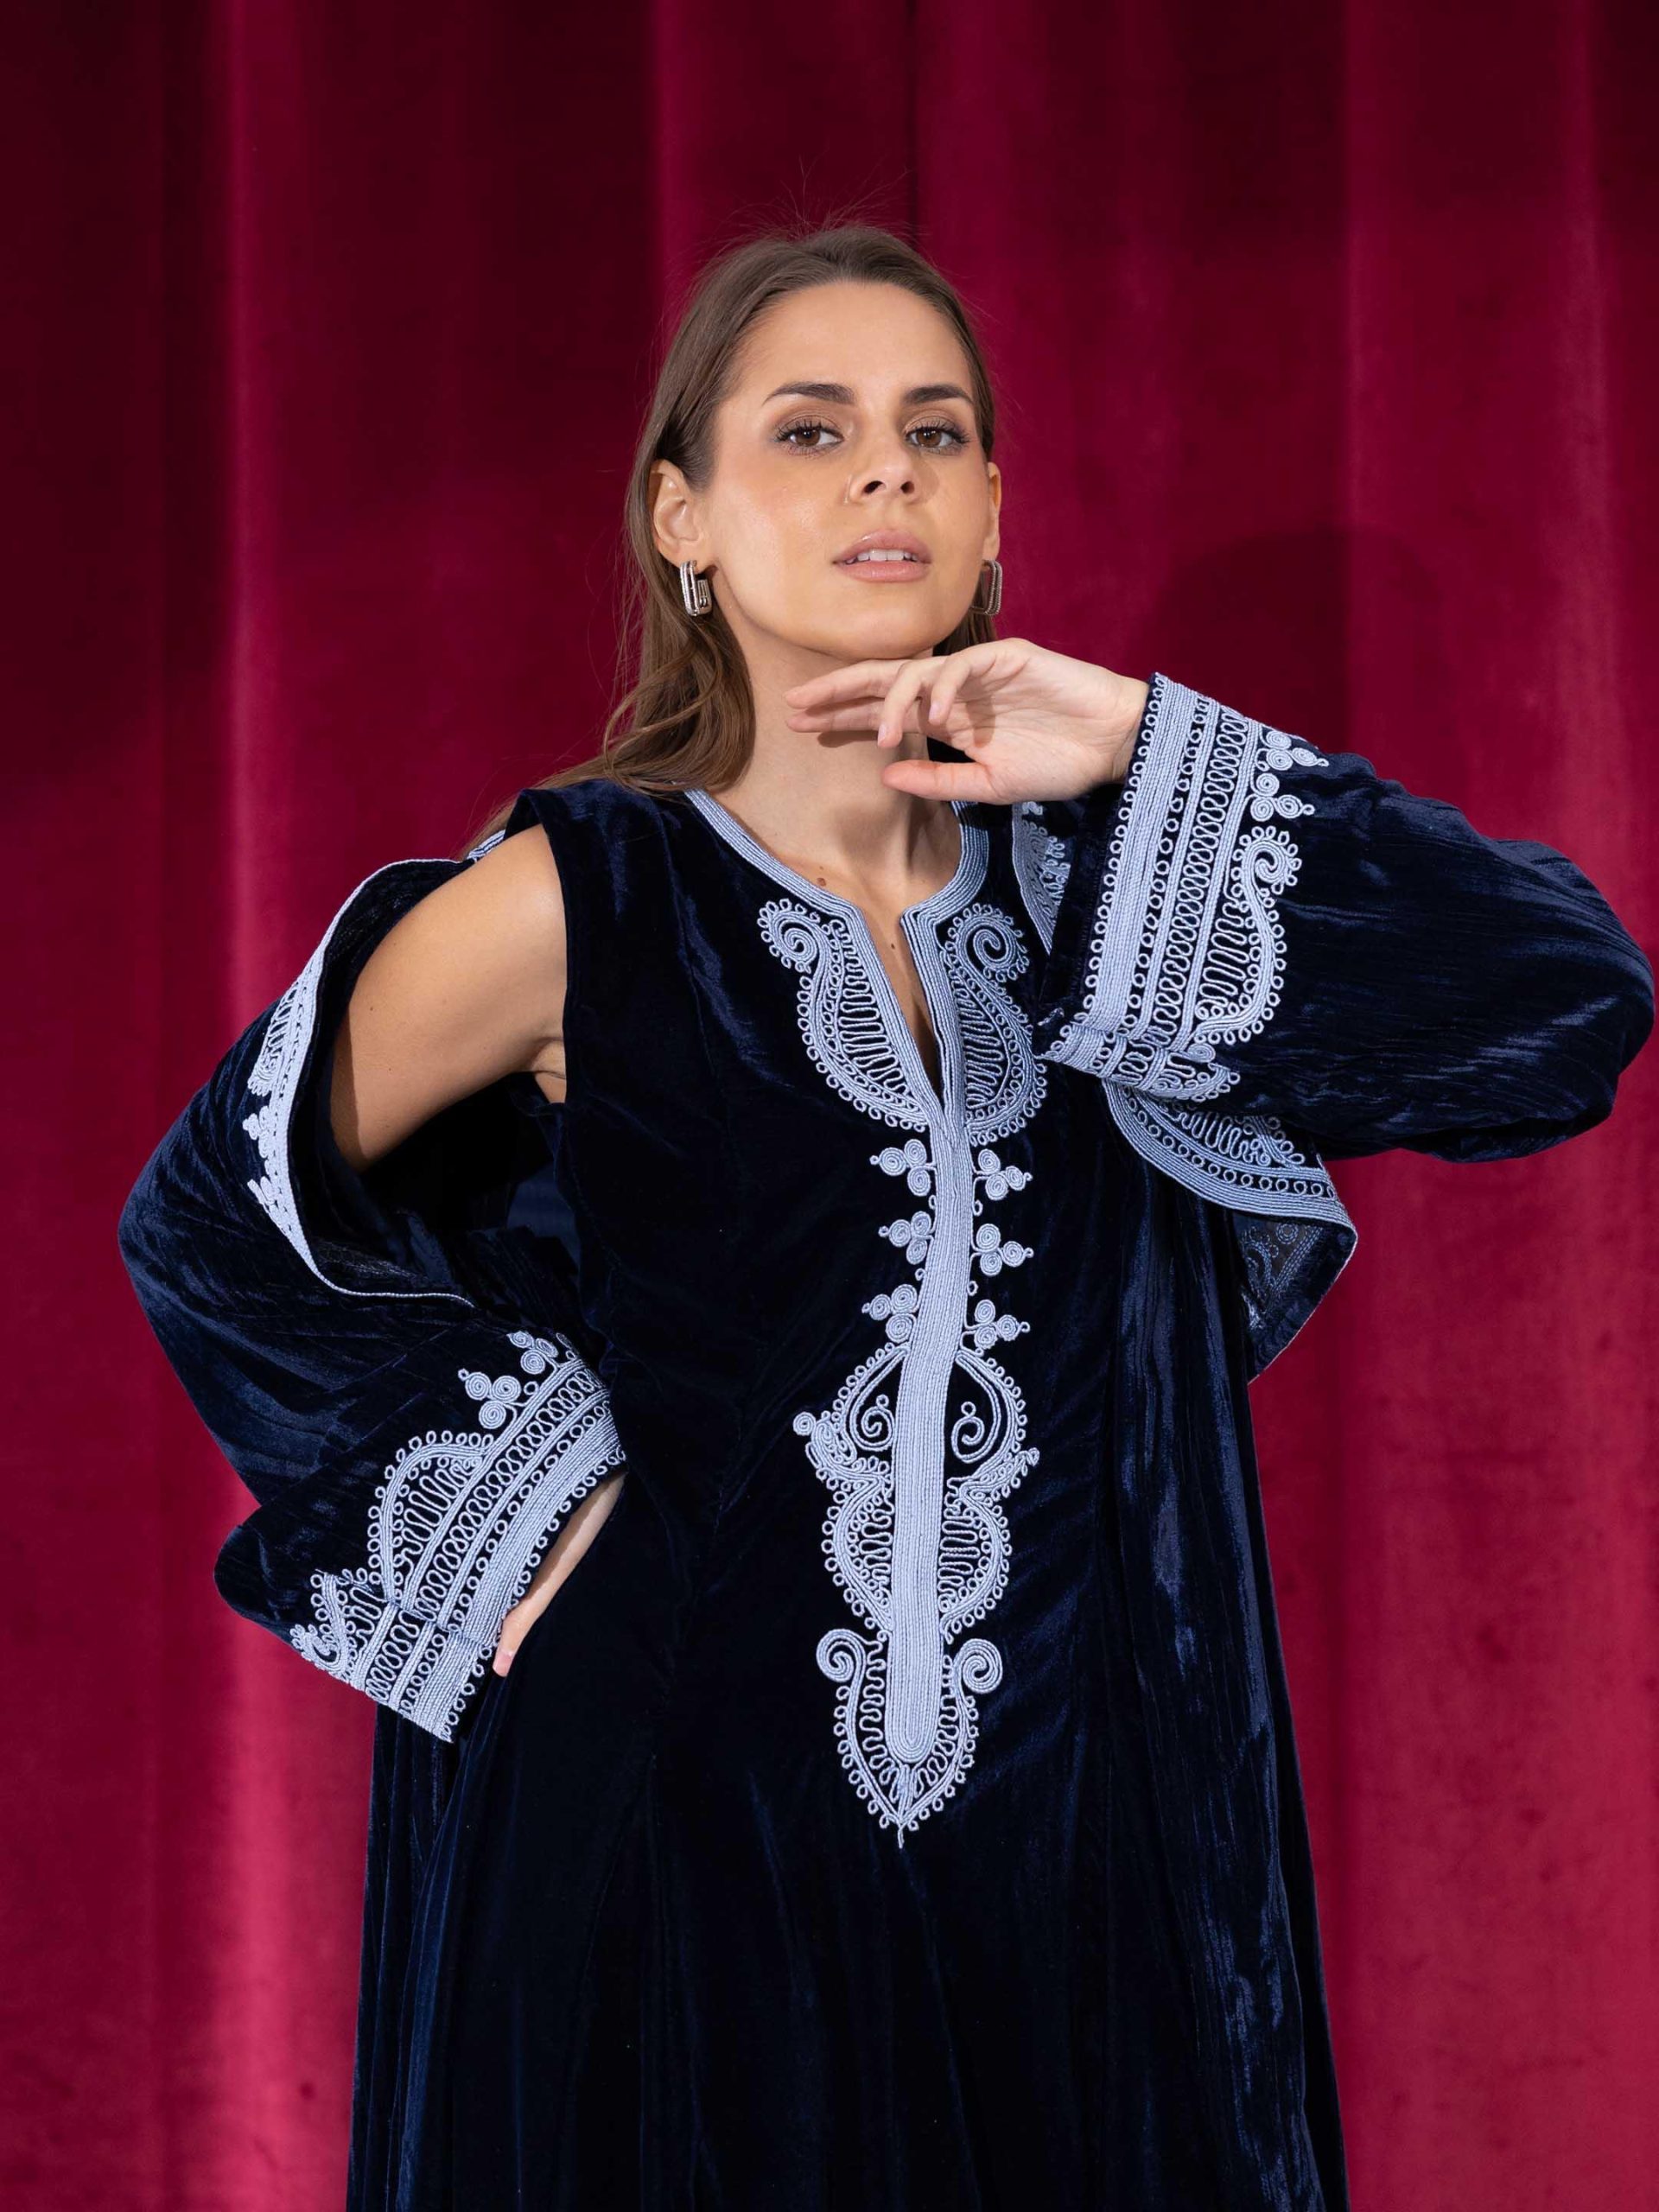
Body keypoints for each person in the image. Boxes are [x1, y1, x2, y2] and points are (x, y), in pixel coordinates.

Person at [117, 223, 1654, 2212]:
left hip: (1072, 1877)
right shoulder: (586, 897)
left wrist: (1128, 745)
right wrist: (514, 1504)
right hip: (660, 1854)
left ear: (995, 507)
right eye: (811, 427)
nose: (884, 472)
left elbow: (1564, 998)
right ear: (681, 515)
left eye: (935, 432)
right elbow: (210, 1216)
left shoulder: (1117, 907)